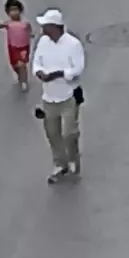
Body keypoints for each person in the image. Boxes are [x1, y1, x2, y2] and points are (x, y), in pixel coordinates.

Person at [31, 10, 85, 184]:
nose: (43, 30)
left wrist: (59, 74)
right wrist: (39, 72)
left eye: (45, 26)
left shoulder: (73, 44)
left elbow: (77, 69)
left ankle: (73, 159)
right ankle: (59, 163)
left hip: (68, 95)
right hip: (49, 97)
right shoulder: (43, 43)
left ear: (55, 27)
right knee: (52, 132)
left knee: (69, 133)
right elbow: (36, 62)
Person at [0, 0, 32, 91]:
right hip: (12, 47)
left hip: (23, 47)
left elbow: (30, 31)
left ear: (20, 10)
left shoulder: (25, 23)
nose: (14, 13)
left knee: (22, 64)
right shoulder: (8, 24)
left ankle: (24, 81)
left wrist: (30, 35)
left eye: (16, 10)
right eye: (11, 10)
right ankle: (19, 75)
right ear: (8, 13)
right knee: (15, 65)